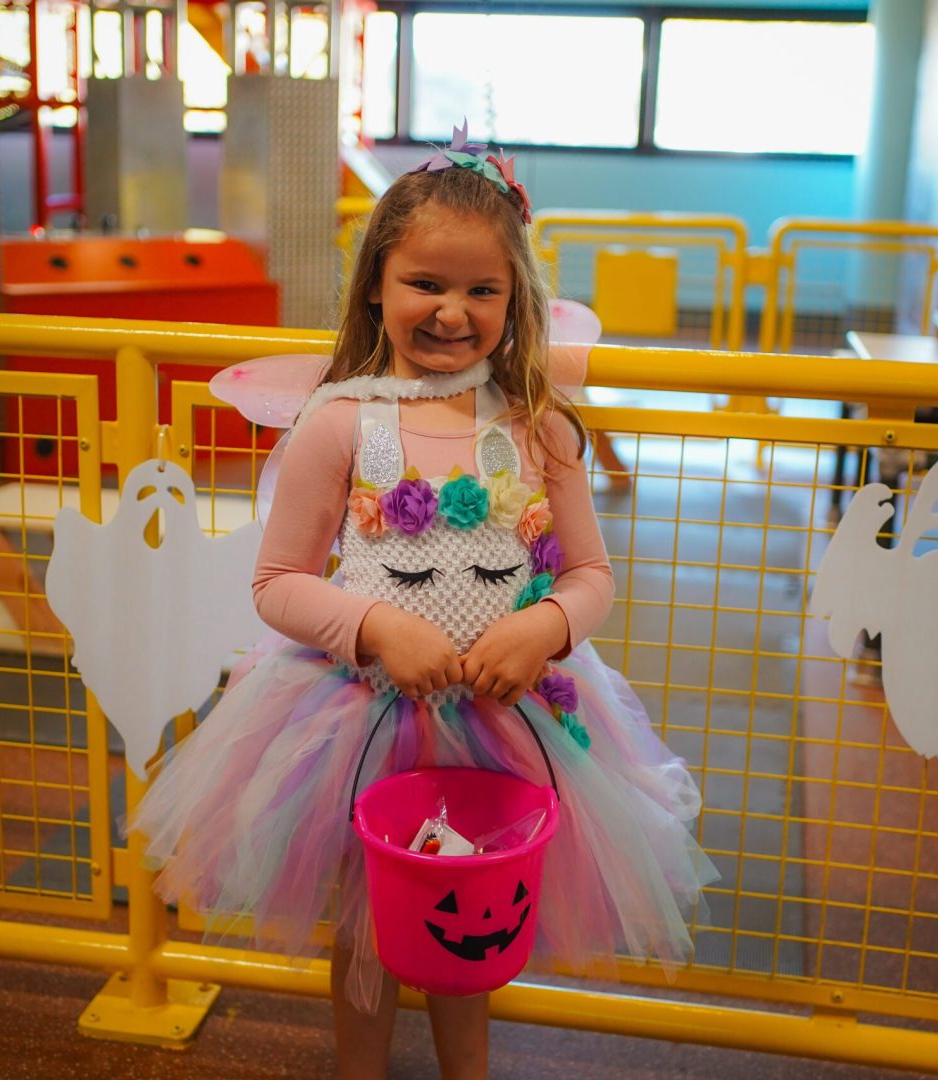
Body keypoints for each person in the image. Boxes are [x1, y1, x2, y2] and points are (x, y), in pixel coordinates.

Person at [131, 126, 716, 1080]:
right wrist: (377, 625)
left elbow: (591, 575)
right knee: (367, 927)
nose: (453, 312)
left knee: (472, 919)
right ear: (376, 283)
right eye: (426, 285)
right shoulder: (340, 423)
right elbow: (278, 584)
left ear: (516, 298)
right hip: (358, 723)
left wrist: (545, 624)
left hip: (505, 717)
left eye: (483, 290)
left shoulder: (542, 426)